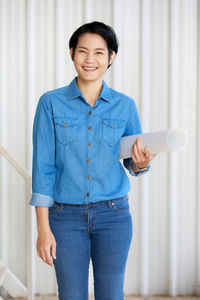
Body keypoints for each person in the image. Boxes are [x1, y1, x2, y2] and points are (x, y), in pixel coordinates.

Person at [29, 21, 156, 300]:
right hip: (64, 218)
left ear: (111, 57)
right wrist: (43, 229)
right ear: (72, 53)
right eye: (83, 51)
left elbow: (131, 163)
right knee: (71, 295)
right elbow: (42, 169)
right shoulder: (50, 103)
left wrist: (142, 163)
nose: (90, 59)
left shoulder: (125, 105)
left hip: (114, 216)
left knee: (111, 295)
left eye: (99, 52)